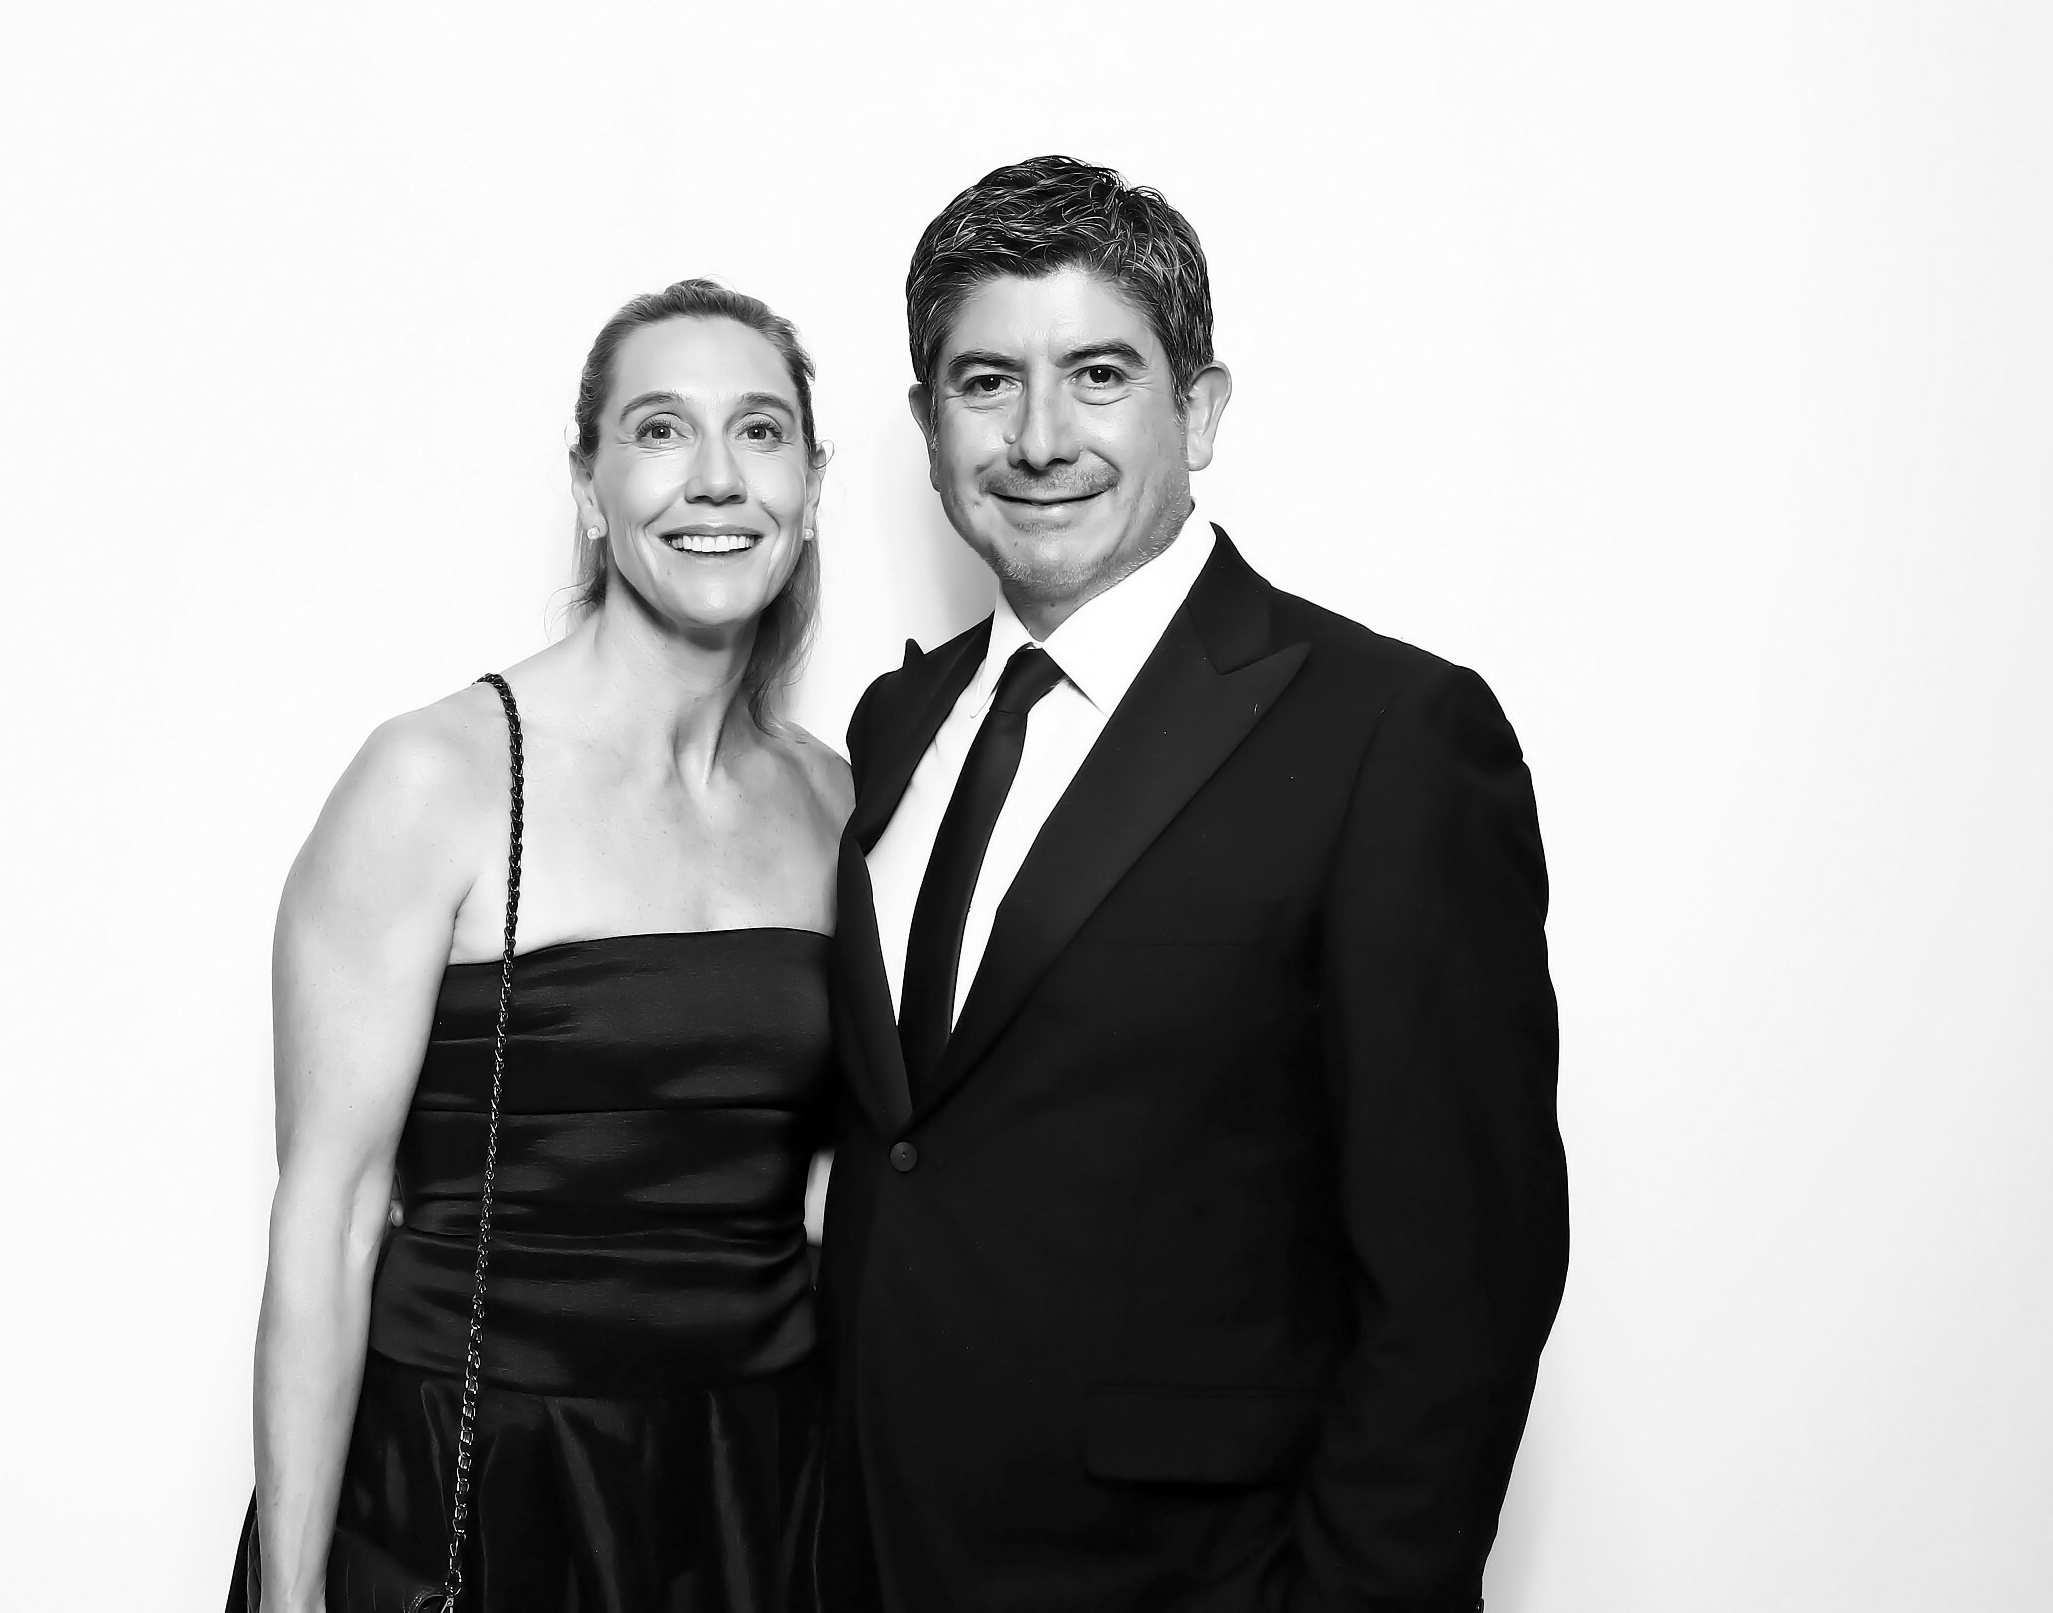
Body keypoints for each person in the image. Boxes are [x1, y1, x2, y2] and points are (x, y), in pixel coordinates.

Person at [814, 157, 1570, 1610]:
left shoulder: (1391, 736)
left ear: (1201, 412)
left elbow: (1464, 1284)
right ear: (927, 427)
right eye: (986, 383)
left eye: (1099, 375)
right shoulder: (899, 727)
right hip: (880, 1556)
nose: (1040, 438)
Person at [237, 279, 850, 1613]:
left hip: (757, 1494)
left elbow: (833, 1189)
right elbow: (329, 1220)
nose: (716, 476)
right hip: (484, 1482)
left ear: (810, 487)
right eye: (660, 429)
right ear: (589, 488)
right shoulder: (436, 777)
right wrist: (290, 1596)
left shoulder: (836, 799)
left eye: (759, 431)